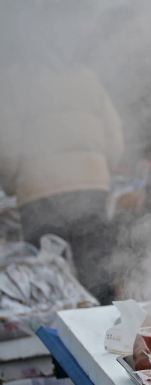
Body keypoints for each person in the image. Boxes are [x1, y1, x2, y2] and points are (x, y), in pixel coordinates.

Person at [0, 66, 124, 304]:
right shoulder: (88, 78)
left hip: (39, 193)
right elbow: (114, 137)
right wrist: (98, 169)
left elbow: (6, 145)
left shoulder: (15, 83)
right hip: (91, 188)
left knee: (48, 284)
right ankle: (108, 335)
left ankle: (59, 338)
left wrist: (12, 184)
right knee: (98, 276)